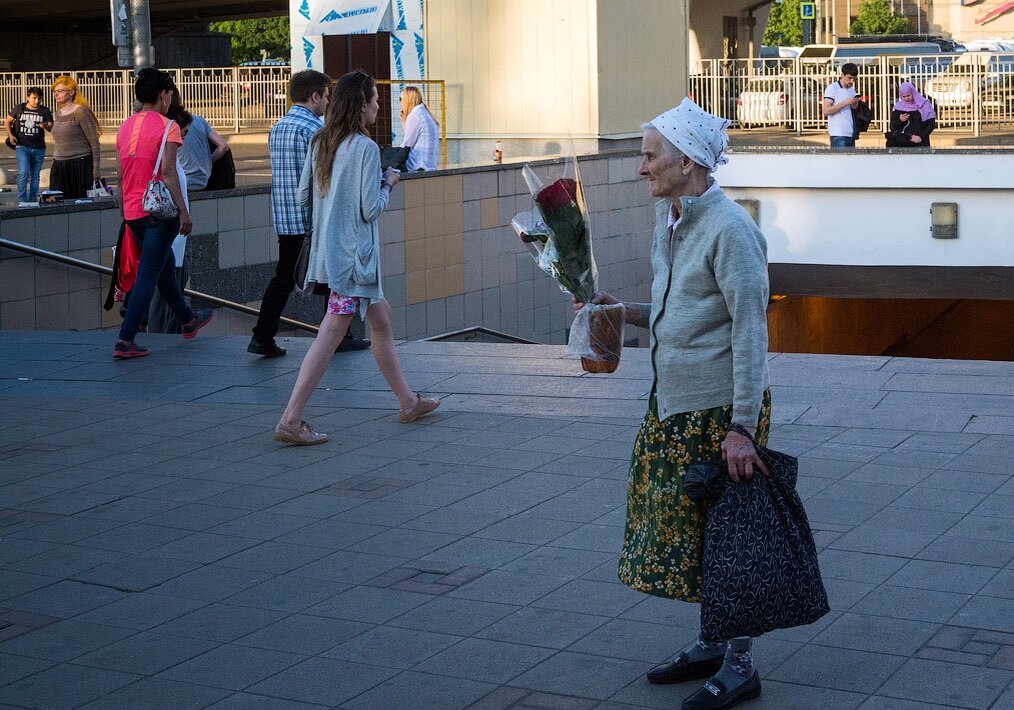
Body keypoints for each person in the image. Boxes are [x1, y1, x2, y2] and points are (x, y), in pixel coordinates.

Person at [575, 98, 771, 710]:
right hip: (674, 404)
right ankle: (714, 640)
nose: (641, 167)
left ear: (687, 160)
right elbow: (673, 314)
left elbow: (750, 331)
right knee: (690, 533)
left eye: (650, 154)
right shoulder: (671, 220)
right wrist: (619, 312)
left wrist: (742, 428)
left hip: (719, 413)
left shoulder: (731, 229)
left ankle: (739, 663)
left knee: (727, 538)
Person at [274, 70, 440, 445]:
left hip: (329, 256)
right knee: (331, 332)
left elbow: (303, 197)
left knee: (382, 320)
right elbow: (370, 210)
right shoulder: (365, 148)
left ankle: (407, 401)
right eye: (376, 100)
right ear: (361, 104)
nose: (380, 107)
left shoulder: (321, 142)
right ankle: (290, 419)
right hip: (354, 262)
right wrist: (388, 183)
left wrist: (333, 203)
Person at [250, 69, 370, 358]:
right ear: (315, 96)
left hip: (284, 216)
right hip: (310, 218)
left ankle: (263, 335)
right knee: (332, 275)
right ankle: (339, 335)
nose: (328, 102)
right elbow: (322, 176)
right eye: (326, 96)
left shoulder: (277, 127)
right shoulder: (314, 131)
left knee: (283, 276)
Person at [112, 67, 213, 360]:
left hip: (133, 211)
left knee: (164, 266)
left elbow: (119, 175)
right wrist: (184, 212)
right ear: (163, 95)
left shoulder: (124, 126)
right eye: (169, 93)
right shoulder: (167, 126)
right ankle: (126, 338)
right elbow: (168, 173)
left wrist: (123, 209)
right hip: (159, 211)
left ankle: (187, 319)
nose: (171, 99)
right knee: (149, 272)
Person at [50, 76, 102, 198]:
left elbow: (94, 141)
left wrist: (96, 168)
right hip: (59, 165)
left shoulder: (80, 112)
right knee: (57, 203)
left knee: (79, 203)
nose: (56, 94)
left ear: (71, 92)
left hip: (80, 164)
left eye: (60, 91)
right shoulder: (58, 113)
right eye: (54, 91)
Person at [5, 88, 54, 207]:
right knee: (23, 172)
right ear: (28, 97)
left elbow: (51, 126)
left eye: (39, 99)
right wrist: (11, 136)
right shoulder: (19, 108)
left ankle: (32, 200)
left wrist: (46, 126)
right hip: (22, 146)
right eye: (34, 98)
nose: (36, 101)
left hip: (38, 147)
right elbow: (7, 121)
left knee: (35, 174)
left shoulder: (45, 111)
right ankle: (22, 199)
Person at [174, 103, 230, 191]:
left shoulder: (169, 124)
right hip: (204, 180)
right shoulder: (199, 120)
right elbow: (223, 146)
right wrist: (208, 161)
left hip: (182, 182)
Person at [399, 86, 440, 171]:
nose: (401, 102)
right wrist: (404, 123)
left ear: (408, 100)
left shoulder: (414, 116)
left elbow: (407, 144)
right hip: (430, 165)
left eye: (401, 99)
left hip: (418, 166)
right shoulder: (424, 113)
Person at [886, 81, 936, 148]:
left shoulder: (924, 105)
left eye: (908, 95)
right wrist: (900, 121)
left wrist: (921, 137)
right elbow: (892, 127)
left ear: (913, 93)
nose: (906, 98)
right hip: (901, 143)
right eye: (903, 96)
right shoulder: (898, 107)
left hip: (920, 143)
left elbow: (930, 125)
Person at [822, 62, 860, 148]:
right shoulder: (832, 88)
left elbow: (852, 109)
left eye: (854, 79)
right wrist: (845, 102)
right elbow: (826, 110)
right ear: (842, 75)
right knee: (840, 160)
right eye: (849, 78)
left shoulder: (851, 90)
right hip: (838, 133)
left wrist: (854, 105)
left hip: (851, 133)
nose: (851, 81)